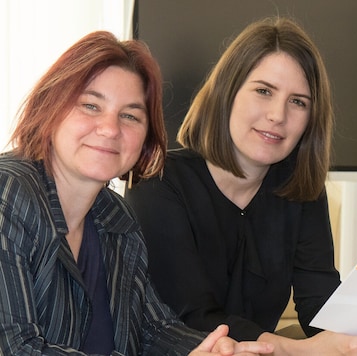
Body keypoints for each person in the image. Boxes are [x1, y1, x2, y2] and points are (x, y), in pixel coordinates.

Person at [125, 17, 357, 355]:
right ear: (227, 92)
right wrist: (297, 350)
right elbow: (193, 318)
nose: (278, 114)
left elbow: (319, 301)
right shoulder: (159, 183)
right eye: (264, 91)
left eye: (298, 101)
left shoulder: (301, 188)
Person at [0, 30, 274, 356]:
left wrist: (207, 350)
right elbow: (15, 347)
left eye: (129, 115)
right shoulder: (9, 193)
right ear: (50, 107)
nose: (110, 128)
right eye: (90, 105)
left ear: (146, 139)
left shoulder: (116, 216)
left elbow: (152, 327)